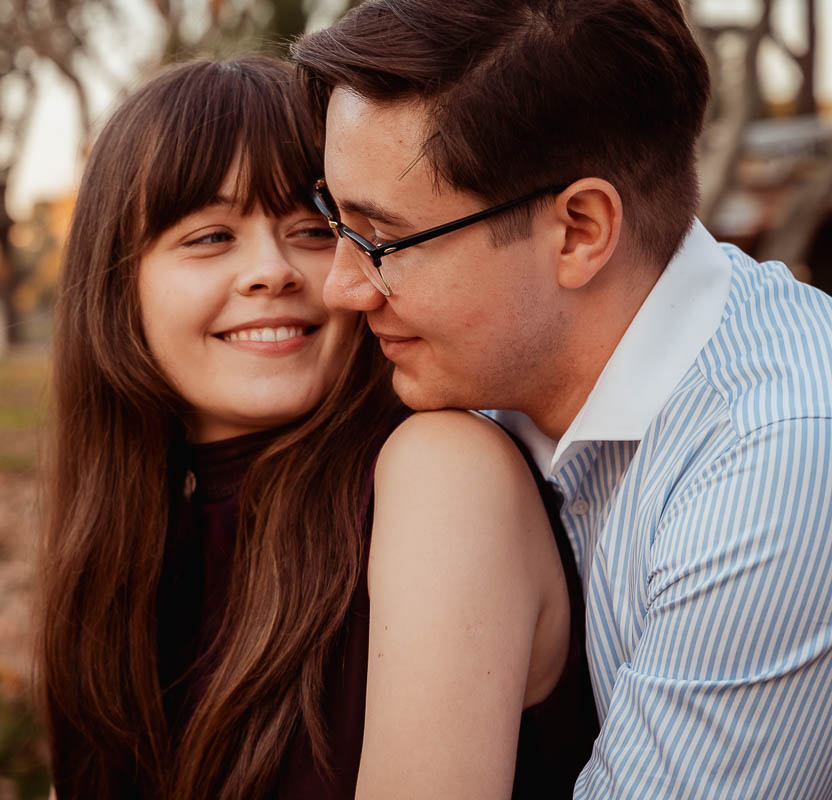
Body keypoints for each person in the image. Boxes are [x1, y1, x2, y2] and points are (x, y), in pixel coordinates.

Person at [292, 1, 832, 797]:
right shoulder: (483, 364)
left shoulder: (780, 453)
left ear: (579, 231)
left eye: (379, 240)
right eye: (332, 215)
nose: (339, 287)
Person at [38, 55, 597, 799]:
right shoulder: (129, 543)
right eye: (209, 237)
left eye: (313, 228)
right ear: (118, 286)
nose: (273, 271)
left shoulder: (440, 475)